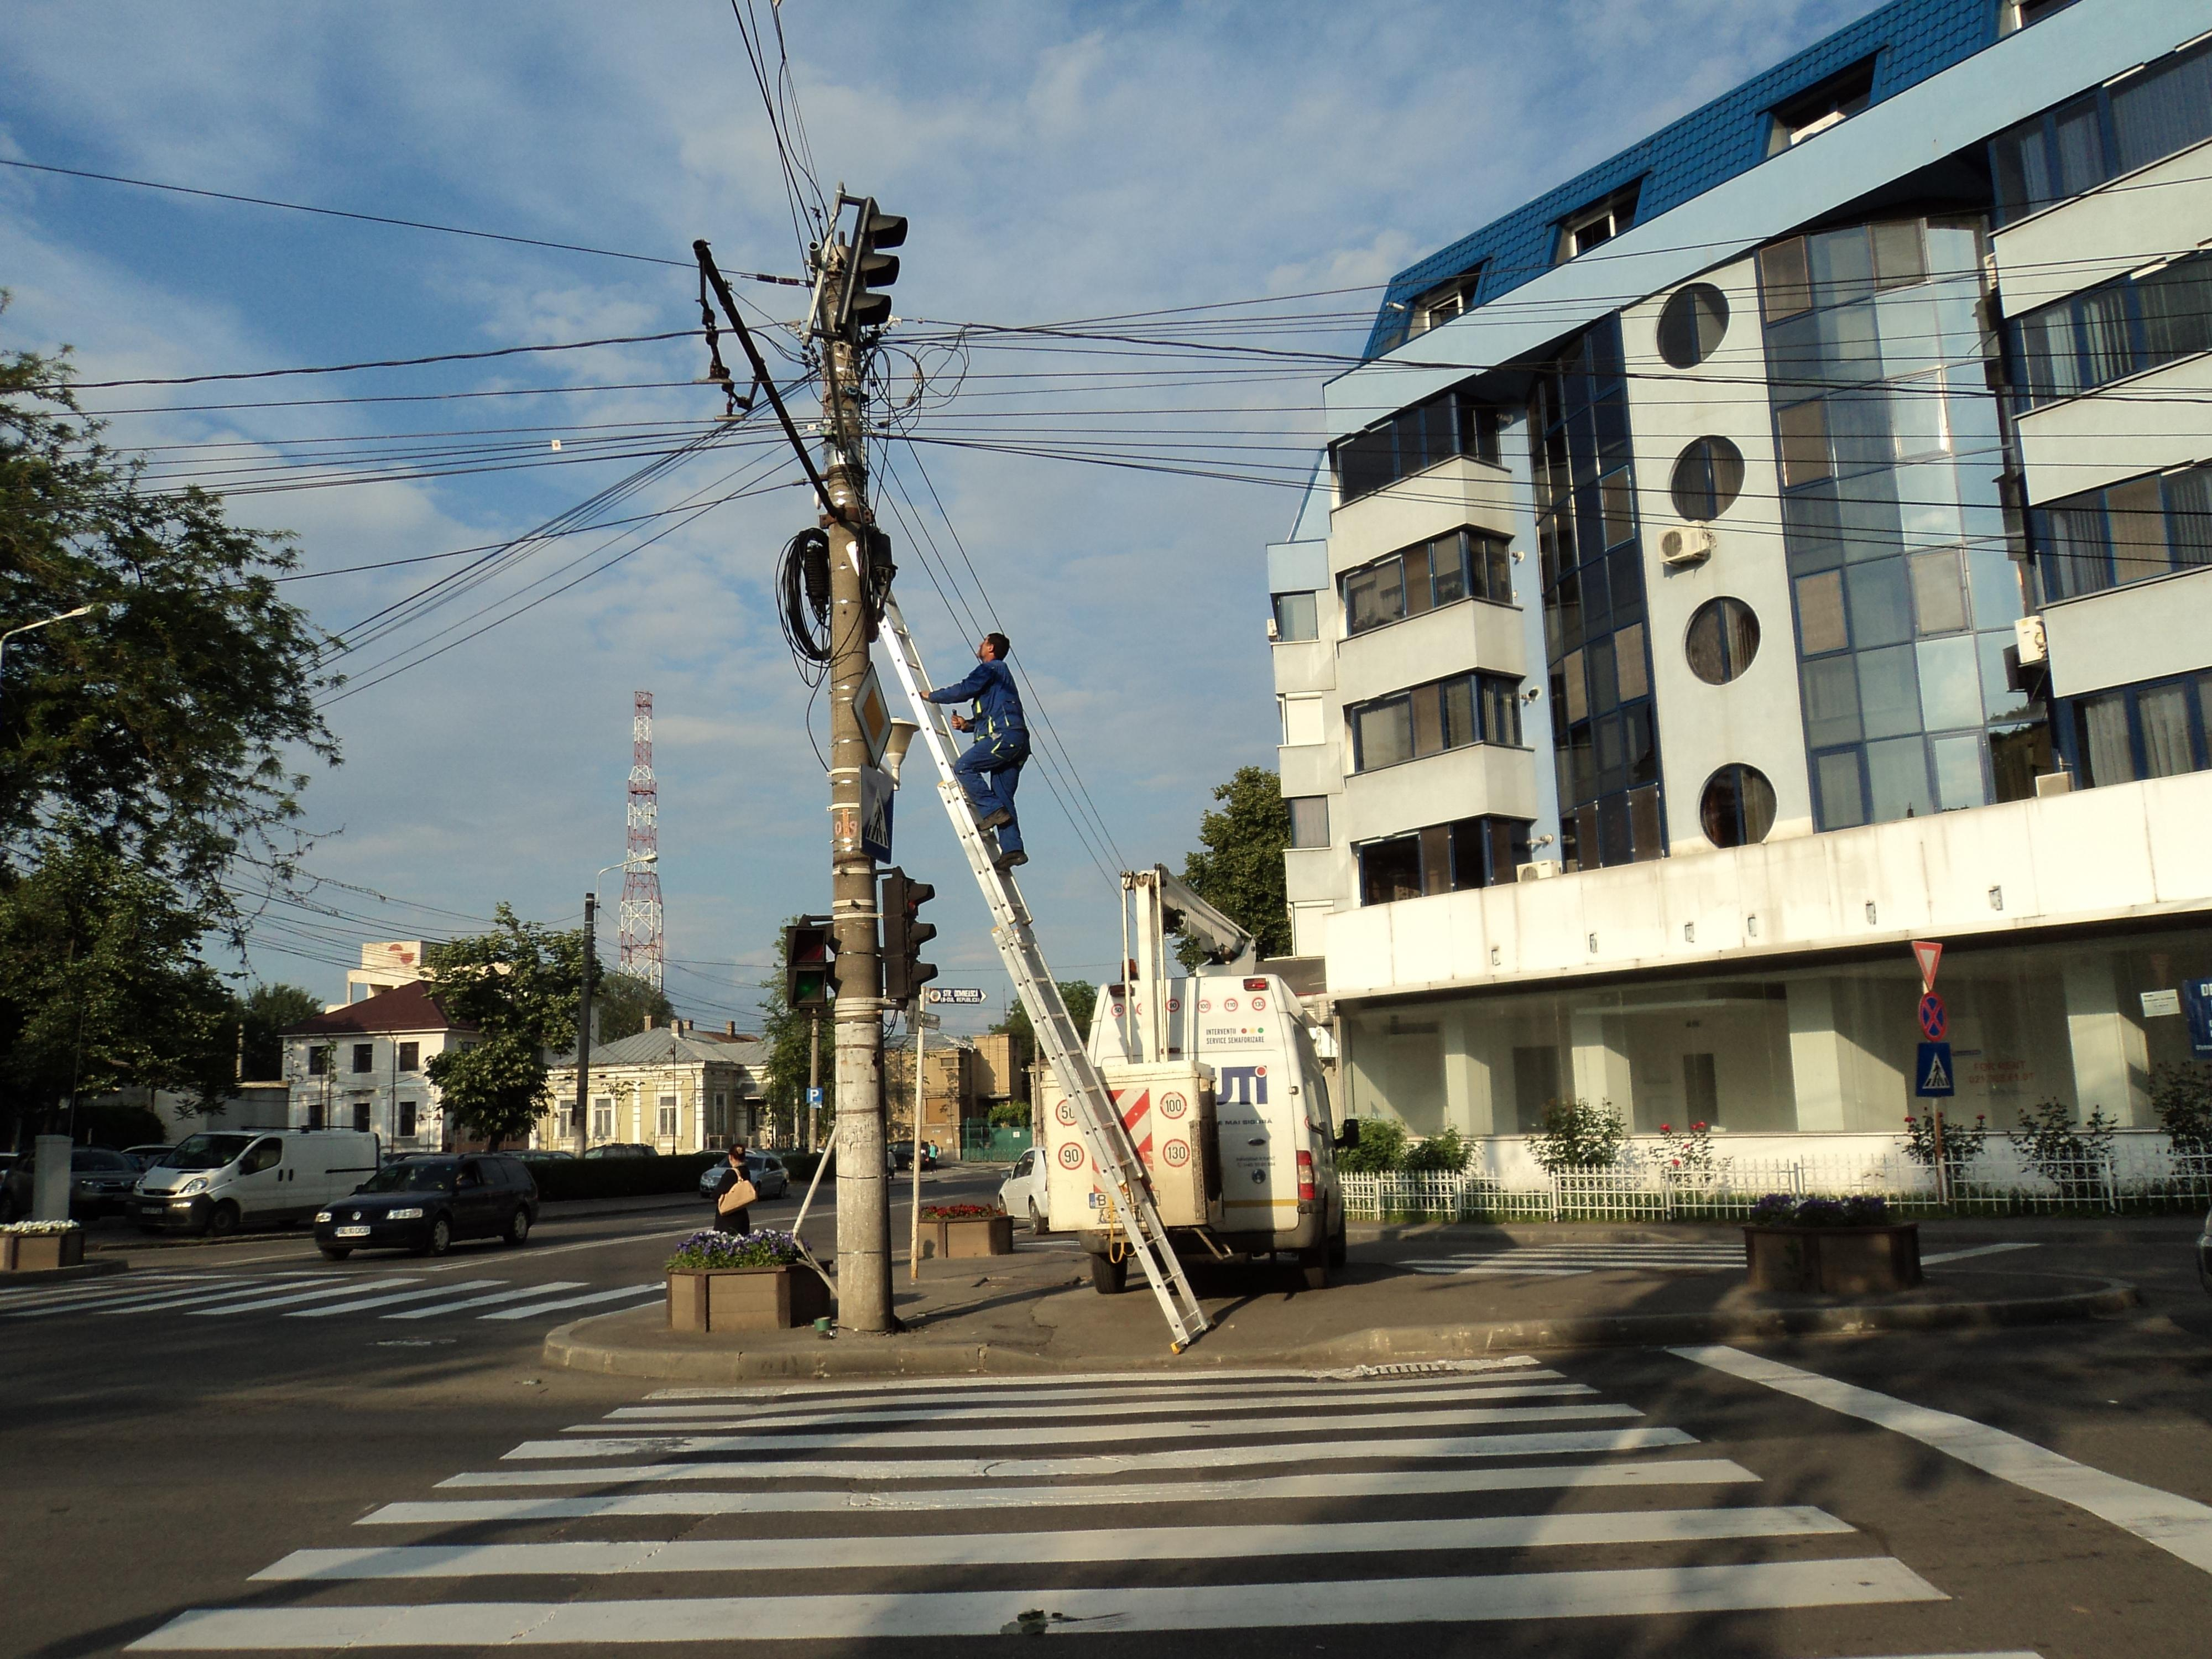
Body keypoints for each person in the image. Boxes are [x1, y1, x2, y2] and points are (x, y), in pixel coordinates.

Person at [923, 631, 1029, 871]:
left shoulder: (992, 669)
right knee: (1002, 797)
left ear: (990, 647)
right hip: (1015, 740)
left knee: (964, 767)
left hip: (1006, 737)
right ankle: (1013, 850)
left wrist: (933, 696)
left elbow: (965, 689)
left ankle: (991, 812)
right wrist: (967, 725)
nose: (979, 645)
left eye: (983, 642)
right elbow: (992, 713)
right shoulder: (999, 679)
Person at [710, 1144, 753, 1235]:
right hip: (742, 1216)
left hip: (728, 1219)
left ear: (730, 1157)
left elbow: (716, 1195)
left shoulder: (731, 1174)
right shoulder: (746, 1172)